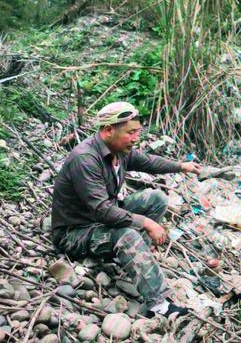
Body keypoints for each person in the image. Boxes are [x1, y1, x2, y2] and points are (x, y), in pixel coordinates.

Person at [50, 101, 201, 318]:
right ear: (108, 130)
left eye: (137, 132)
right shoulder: (86, 159)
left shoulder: (118, 149)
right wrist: (146, 223)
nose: (135, 138)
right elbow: (102, 210)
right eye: (130, 132)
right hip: (76, 232)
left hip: (101, 220)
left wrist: (181, 166)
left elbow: (149, 162)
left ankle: (136, 259)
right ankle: (159, 306)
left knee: (156, 198)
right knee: (128, 234)